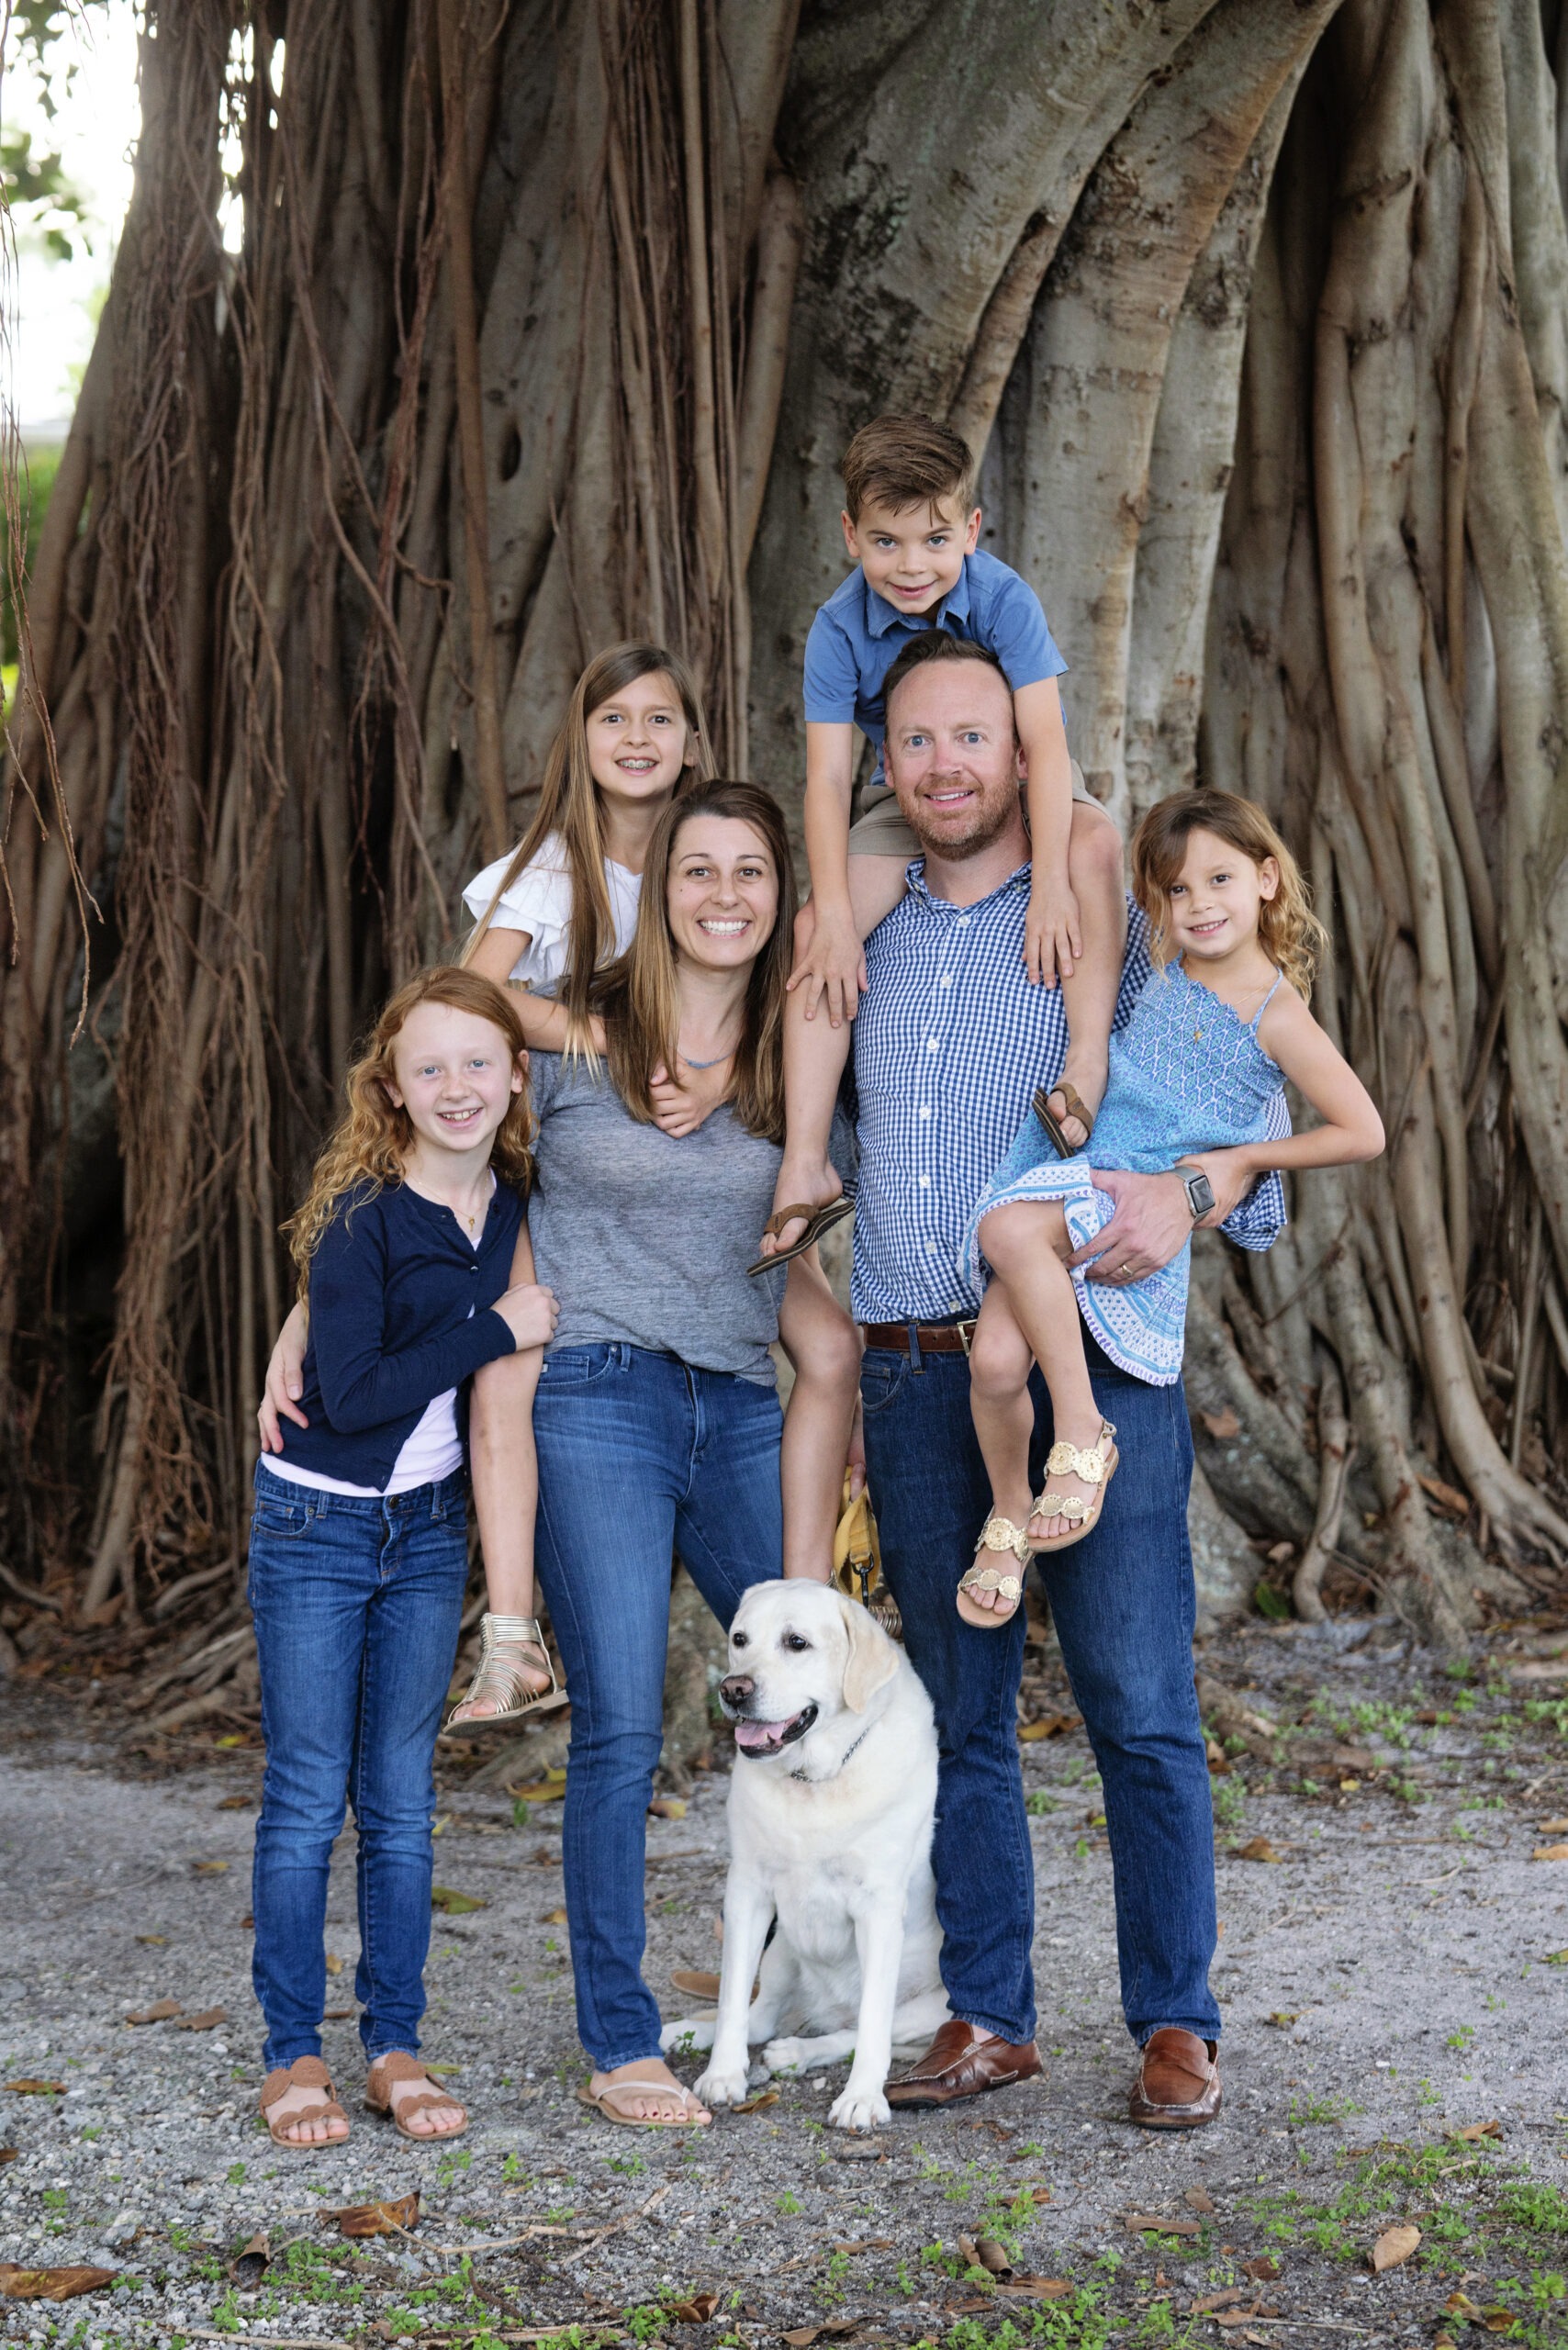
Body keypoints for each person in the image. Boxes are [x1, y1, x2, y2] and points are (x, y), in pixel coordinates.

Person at [845, 631, 1287, 2130]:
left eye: (975, 735)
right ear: (882, 761)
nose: (946, 764)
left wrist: (1205, 1193)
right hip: (916, 1370)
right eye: (915, 741)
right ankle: (990, 2013)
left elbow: (1223, 1083)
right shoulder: (859, 926)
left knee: (1135, 1700)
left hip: (1088, 1366)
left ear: (1020, 751)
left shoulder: (1095, 901)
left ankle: (1173, 2023)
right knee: (958, 1710)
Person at [465, 781, 855, 2128]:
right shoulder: (576, 1036)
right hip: (601, 1403)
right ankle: (621, 2041)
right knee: (625, 1724)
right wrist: (304, 1315)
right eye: (699, 870)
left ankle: (814, 2000)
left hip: (743, 1403)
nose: (726, 895)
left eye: (752, 870)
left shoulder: (799, 1054)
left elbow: (818, 1230)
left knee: (830, 1707)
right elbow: (442, 1113)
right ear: (661, 887)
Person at [451, 648, 857, 1695]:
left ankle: (813, 1591)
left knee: (832, 1344)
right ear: (577, 742)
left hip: (715, 1263)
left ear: (689, 742)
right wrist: (594, 1035)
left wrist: (719, 1084)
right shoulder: (552, 871)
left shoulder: (725, 876)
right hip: (549, 1150)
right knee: (510, 1350)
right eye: (613, 719)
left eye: (660, 720)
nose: (637, 739)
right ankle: (508, 1631)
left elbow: (776, 1001)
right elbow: (465, 1000)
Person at [249, 969, 558, 2150]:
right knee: (305, 1796)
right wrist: (495, 1327)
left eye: (479, 1062)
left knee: (402, 1803)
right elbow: (356, 1387)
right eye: (428, 1068)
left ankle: (393, 2044)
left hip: (426, 1533)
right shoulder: (360, 1218)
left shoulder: (520, 1196)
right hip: (317, 1530)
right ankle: (292, 2054)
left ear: (517, 1076)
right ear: (391, 1089)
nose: (457, 1087)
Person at [954, 789, 1384, 1624]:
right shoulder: (1165, 964)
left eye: (1219, 880)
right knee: (996, 1365)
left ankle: (1083, 1433)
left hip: (1130, 1186)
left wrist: (1241, 1157)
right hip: (1083, 1158)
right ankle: (1008, 1514)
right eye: (1178, 890)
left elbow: (1362, 1129)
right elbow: (1084, 842)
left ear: (1267, 879)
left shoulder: (1276, 1012)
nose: (1198, 905)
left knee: (1005, 1226)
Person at [756, 411, 1127, 1269]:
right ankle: (808, 1164)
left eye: (932, 539)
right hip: (909, 788)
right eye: (885, 542)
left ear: (971, 528)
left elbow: (1042, 743)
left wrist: (1050, 885)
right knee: (816, 936)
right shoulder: (836, 629)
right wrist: (844, 915)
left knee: (1097, 847)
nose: (911, 566)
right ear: (850, 535)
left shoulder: (1003, 598)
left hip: (1017, 770)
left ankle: (1083, 1066)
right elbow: (824, 781)